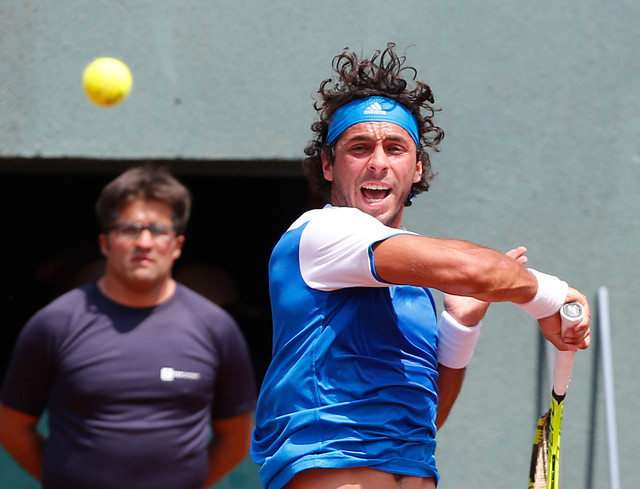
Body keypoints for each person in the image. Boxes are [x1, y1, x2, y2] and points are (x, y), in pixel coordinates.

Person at [251, 43, 591, 489]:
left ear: (416, 169)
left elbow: (424, 422)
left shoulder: (412, 288)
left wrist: (460, 328)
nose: (378, 162)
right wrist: (549, 295)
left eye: (395, 148)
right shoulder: (323, 232)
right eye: (359, 147)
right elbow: (477, 271)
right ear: (329, 166)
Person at [0, 166, 257, 489]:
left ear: (177, 244)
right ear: (105, 243)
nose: (144, 242)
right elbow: (13, 427)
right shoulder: (54, 324)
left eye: (158, 230)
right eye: (129, 229)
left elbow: (235, 434)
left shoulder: (215, 327)